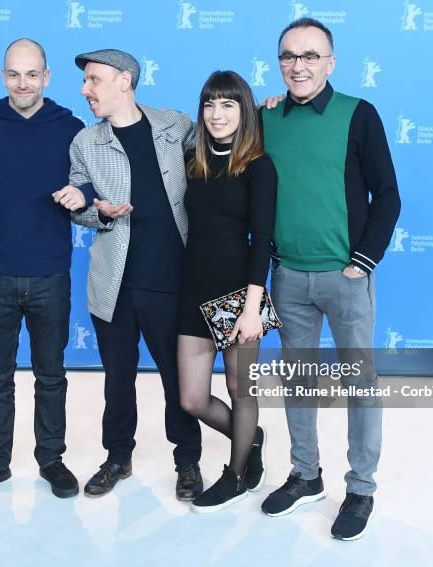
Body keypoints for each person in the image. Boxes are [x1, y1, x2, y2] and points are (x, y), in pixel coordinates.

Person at [260, 18, 401, 540]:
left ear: (330, 62)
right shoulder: (266, 115)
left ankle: (361, 488)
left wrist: (363, 261)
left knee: (361, 386)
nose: (299, 65)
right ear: (279, 63)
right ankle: (306, 474)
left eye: (310, 56)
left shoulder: (358, 115)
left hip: (345, 278)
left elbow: (388, 195)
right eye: (289, 56)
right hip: (288, 277)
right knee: (297, 383)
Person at [58, 49, 203, 501]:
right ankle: (118, 457)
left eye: (94, 80)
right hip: (114, 282)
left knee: (177, 379)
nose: (85, 90)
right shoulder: (85, 142)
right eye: (85, 82)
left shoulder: (174, 125)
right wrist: (93, 211)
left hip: (171, 279)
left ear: (125, 80)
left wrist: (264, 110)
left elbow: (223, 146)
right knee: (117, 377)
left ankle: (188, 461)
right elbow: (79, 204)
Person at [0, 38, 85, 500]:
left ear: (46, 76)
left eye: (31, 74)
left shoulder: (73, 128)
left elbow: (93, 183)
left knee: (52, 374)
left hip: (51, 275)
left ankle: (52, 459)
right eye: (13, 74)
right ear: (2, 76)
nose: (22, 83)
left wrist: (81, 190)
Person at [176, 71, 277, 513]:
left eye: (228, 105)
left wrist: (252, 307)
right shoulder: (192, 162)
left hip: (239, 297)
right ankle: (249, 437)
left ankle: (236, 475)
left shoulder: (258, 165)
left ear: (244, 111)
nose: (217, 115)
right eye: (209, 105)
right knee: (192, 398)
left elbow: (262, 239)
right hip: (193, 292)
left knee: (241, 391)